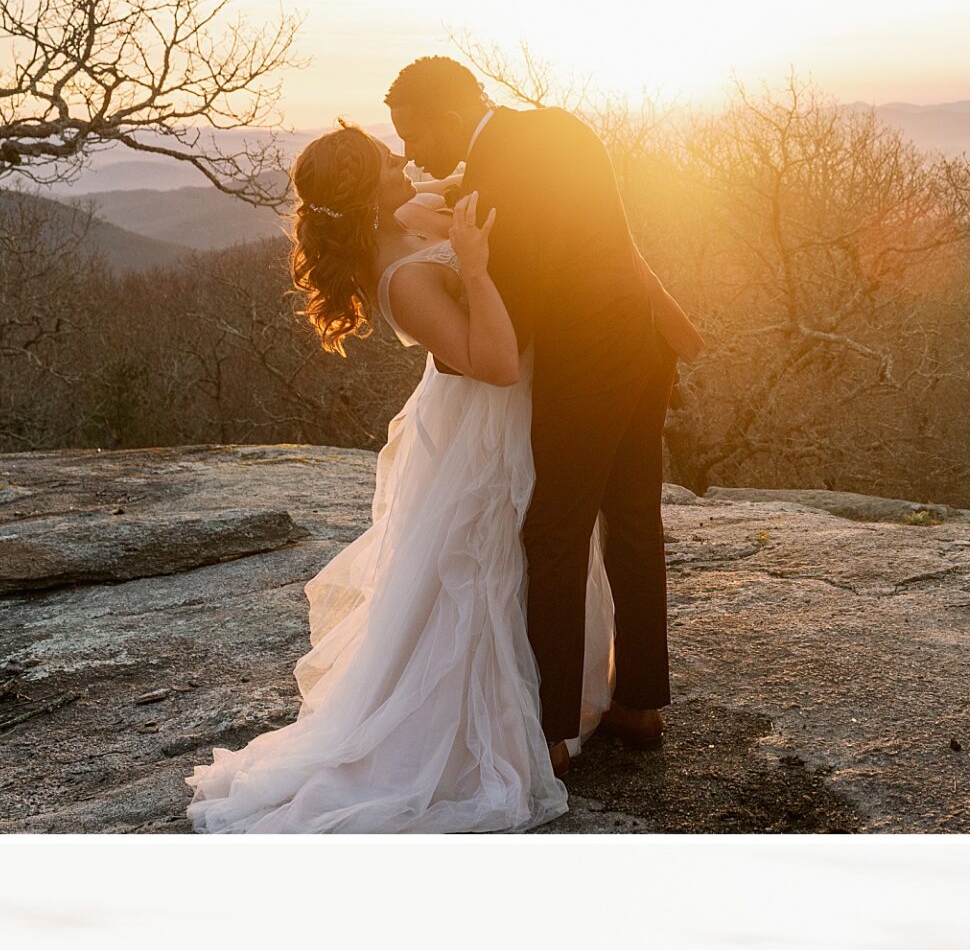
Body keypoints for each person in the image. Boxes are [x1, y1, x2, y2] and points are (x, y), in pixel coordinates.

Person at [188, 129, 619, 832]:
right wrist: (476, 269)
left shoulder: (395, 217)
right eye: (389, 164)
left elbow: (440, 187)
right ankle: (492, 724)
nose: (403, 163)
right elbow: (496, 363)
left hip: (480, 420)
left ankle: (554, 700)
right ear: (366, 193)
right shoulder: (403, 279)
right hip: (483, 428)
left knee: (517, 560)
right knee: (484, 569)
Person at [387, 56, 701, 772]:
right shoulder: (555, 129)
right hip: (643, 347)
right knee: (632, 516)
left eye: (413, 134)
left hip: (589, 362)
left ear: (448, 114)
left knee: (553, 530)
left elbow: (518, 311)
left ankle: (551, 733)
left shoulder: (504, 174)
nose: (411, 155)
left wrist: (450, 352)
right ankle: (641, 703)